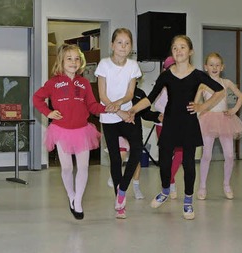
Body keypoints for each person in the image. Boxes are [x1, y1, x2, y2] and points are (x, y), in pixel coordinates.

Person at [127, 35, 226, 220]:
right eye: (175, 48)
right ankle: (165, 190)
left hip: (188, 123)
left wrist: (202, 107)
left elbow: (220, 91)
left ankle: (188, 201)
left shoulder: (198, 75)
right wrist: (133, 109)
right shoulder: (166, 75)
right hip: (170, 122)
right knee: (164, 162)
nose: (178, 50)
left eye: (182, 47)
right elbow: (150, 98)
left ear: (190, 51)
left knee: (188, 164)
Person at [33, 44, 118, 220]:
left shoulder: (84, 83)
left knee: (83, 167)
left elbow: (93, 106)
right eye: (69, 58)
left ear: (81, 62)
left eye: (76, 58)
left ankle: (78, 201)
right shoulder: (53, 83)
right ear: (61, 61)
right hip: (61, 131)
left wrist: (108, 108)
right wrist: (48, 112)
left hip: (82, 131)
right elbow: (37, 98)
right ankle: (71, 196)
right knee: (66, 167)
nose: (73, 62)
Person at [94, 28, 142, 219]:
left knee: (137, 150)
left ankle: (122, 189)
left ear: (131, 47)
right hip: (109, 117)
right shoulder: (104, 64)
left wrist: (122, 107)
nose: (123, 46)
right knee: (115, 158)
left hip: (127, 114)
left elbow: (130, 94)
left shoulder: (133, 66)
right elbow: (103, 96)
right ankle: (119, 203)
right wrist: (118, 111)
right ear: (112, 45)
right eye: (119, 42)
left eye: (127, 43)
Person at [196, 52, 242, 200]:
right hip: (207, 120)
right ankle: (202, 186)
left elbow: (241, 96)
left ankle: (226, 184)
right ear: (206, 67)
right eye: (211, 65)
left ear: (222, 67)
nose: (214, 67)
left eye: (217, 65)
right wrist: (197, 112)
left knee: (230, 155)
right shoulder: (203, 85)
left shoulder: (226, 83)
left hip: (225, 120)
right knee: (207, 155)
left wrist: (234, 109)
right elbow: (195, 103)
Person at [107, 86, 162, 200]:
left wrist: (157, 116)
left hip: (134, 131)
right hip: (117, 129)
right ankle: (116, 180)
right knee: (119, 155)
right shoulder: (115, 90)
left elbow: (146, 114)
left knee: (136, 159)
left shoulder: (140, 93)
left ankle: (136, 186)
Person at [153, 56, 184, 199]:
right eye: (169, 68)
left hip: (179, 124)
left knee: (180, 153)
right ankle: (169, 182)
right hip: (163, 124)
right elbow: (156, 104)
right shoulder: (160, 84)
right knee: (166, 154)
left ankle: (170, 180)